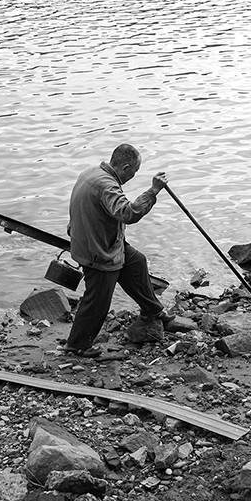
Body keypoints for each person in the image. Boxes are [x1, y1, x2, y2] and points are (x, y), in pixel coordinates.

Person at [63, 144, 172, 357]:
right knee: (98, 300)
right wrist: (153, 191)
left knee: (136, 261)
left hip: (100, 240)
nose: (134, 176)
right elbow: (128, 213)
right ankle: (77, 345)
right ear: (126, 167)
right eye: (135, 171)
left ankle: (152, 310)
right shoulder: (107, 186)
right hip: (98, 251)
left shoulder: (92, 173)